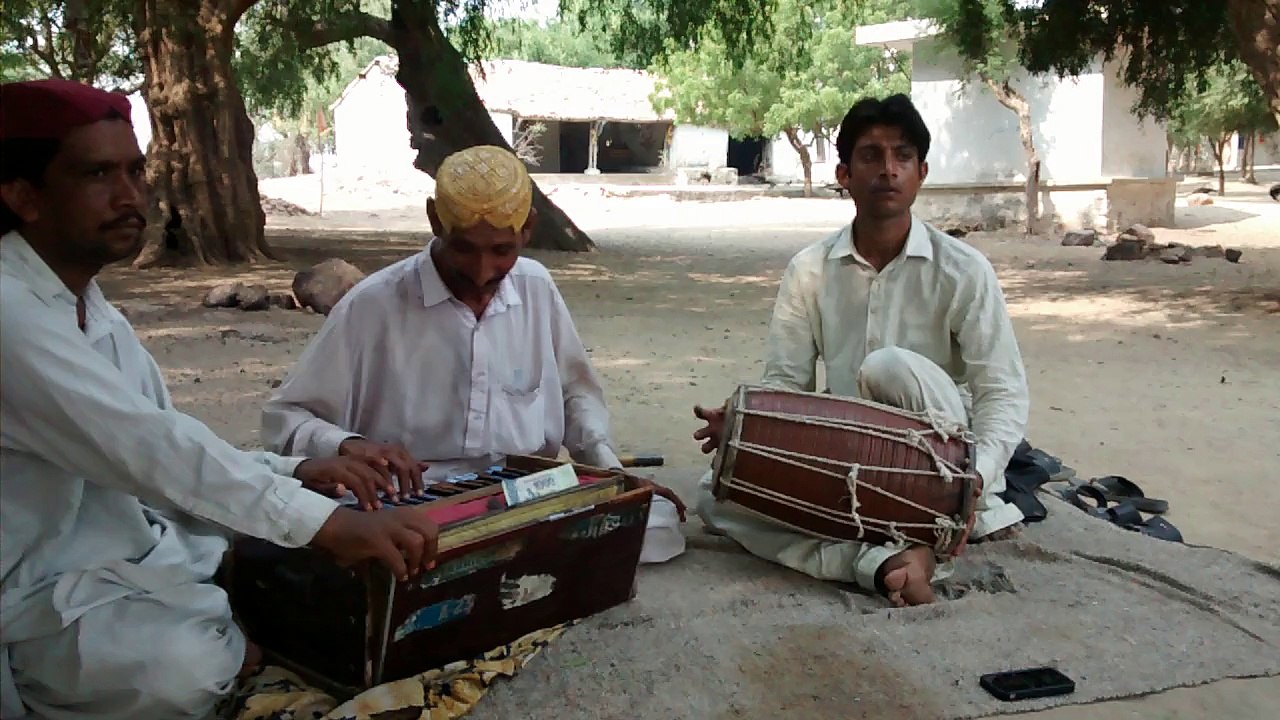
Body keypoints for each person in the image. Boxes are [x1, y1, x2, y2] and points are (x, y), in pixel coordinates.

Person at [0, 79, 443, 720]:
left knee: (256, 576)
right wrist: (330, 525)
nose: (131, 196)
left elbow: (162, 437)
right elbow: (148, 449)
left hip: (118, 564)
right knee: (180, 671)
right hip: (31, 588)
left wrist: (296, 471)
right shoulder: (10, 316)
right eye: (97, 173)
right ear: (23, 194)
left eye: (134, 170)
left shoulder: (89, 310)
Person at [261, 144, 687, 563]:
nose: (482, 272)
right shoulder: (374, 304)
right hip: (411, 504)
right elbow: (285, 420)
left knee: (654, 524)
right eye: (464, 248)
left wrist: (615, 477)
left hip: (523, 490)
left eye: (501, 251)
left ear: (528, 229)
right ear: (434, 221)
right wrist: (346, 443)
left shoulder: (535, 287)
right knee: (393, 558)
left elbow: (576, 394)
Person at [691, 94, 1030, 607]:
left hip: (941, 468)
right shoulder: (809, 269)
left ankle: (934, 520)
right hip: (847, 464)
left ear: (922, 173)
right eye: (871, 156)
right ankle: (887, 560)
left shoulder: (964, 269)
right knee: (713, 495)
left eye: (902, 156)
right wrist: (745, 429)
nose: (888, 170)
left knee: (886, 368)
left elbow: (1003, 392)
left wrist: (973, 480)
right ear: (844, 173)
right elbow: (786, 384)